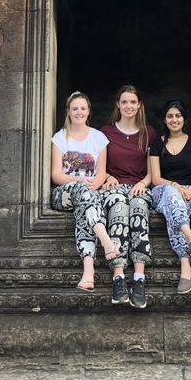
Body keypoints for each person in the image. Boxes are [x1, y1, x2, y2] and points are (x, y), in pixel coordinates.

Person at [50, 91, 120, 291]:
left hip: (88, 194)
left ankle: (88, 273)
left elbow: (101, 173)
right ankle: (106, 241)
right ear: (68, 112)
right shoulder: (60, 138)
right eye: (75, 109)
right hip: (63, 193)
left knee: (84, 209)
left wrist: (91, 186)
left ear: (88, 111)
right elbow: (56, 175)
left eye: (82, 108)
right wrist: (81, 181)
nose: (79, 112)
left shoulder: (99, 138)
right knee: (83, 193)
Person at [101, 84, 157, 308]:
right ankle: (118, 278)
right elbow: (98, 166)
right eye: (124, 102)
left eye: (133, 102)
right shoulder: (105, 132)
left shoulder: (148, 132)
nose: (128, 106)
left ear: (139, 105)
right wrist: (106, 176)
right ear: (118, 104)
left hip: (140, 187)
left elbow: (154, 170)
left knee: (138, 210)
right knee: (118, 210)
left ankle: (139, 279)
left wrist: (144, 182)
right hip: (114, 187)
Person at [150, 99, 191, 293]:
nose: (174, 120)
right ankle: (189, 234)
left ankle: (185, 266)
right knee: (173, 197)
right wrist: (174, 185)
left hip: (187, 191)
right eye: (170, 116)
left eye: (178, 116)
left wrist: (189, 191)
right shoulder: (157, 143)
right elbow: (155, 178)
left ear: (184, 119)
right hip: (162, 190)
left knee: (177, 208)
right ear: (165, 120)